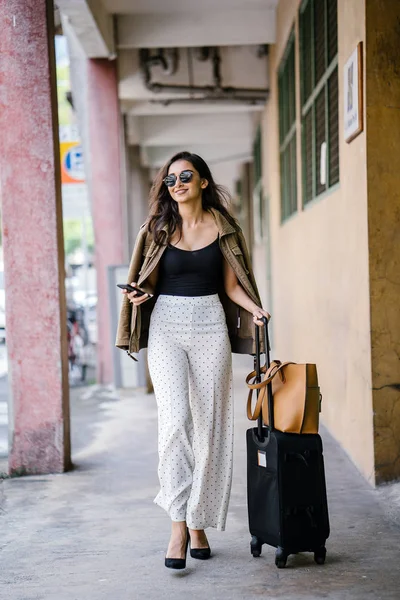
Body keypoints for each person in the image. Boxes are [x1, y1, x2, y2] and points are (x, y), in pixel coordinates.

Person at [115, 151, 270, 570]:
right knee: (175, 420)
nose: (177, 183)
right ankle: (178, 523)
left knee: (212, 425)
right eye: (170, 179)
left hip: (209, 323)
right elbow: (147, 282)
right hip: (167, 324)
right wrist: (138, 295)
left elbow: (231, 285)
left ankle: (199, 520)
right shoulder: (157, 229)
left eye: (186, 176)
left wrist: (254, 307)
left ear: (203, 181)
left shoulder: (224, 228)